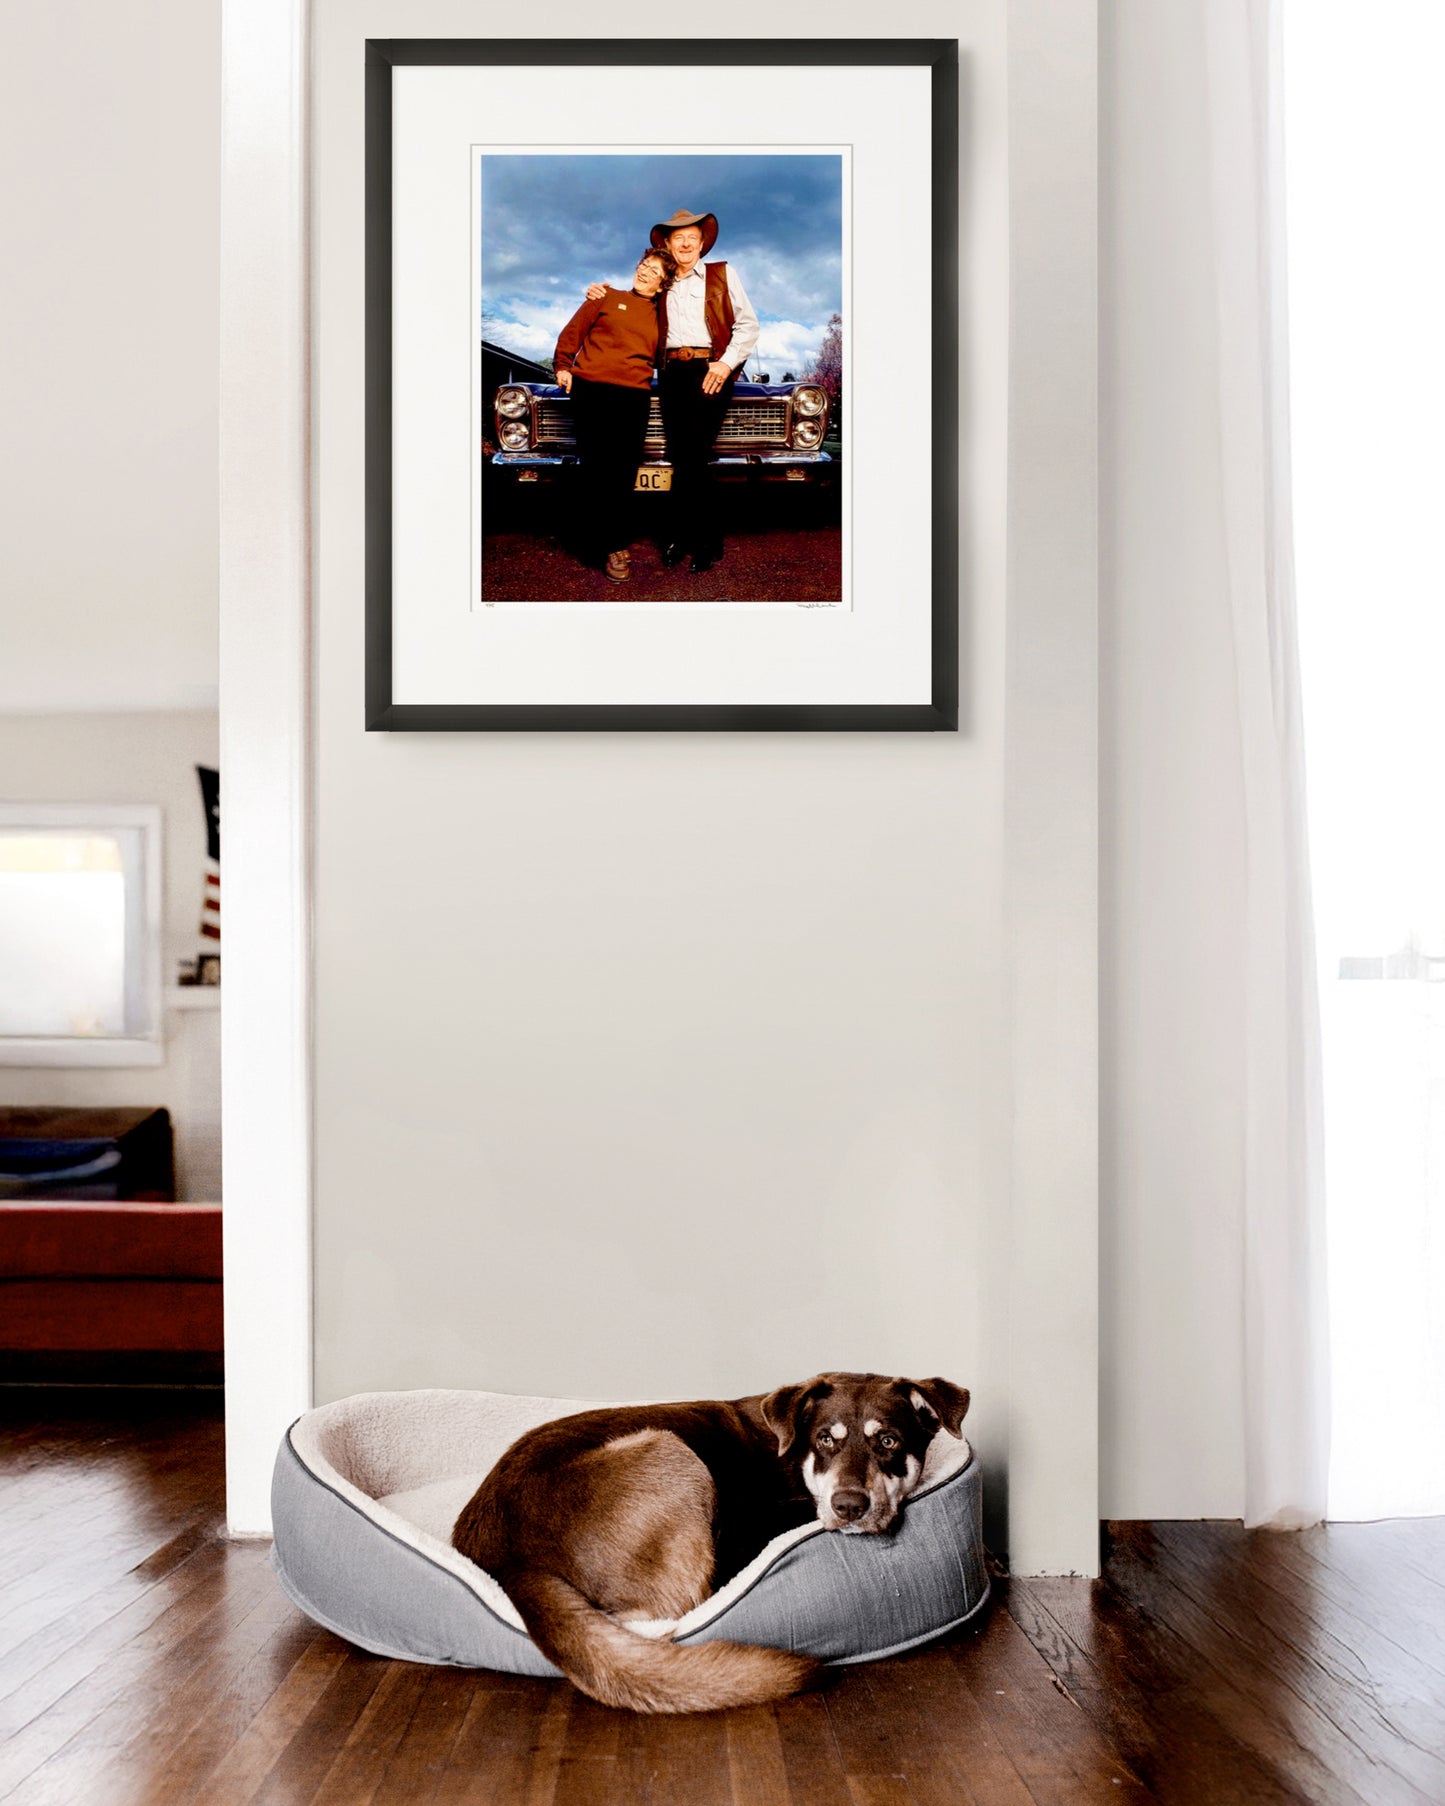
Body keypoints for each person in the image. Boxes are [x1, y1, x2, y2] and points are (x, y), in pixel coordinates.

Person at [588, 207, 759, 574]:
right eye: (678, 237)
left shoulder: (722, 274)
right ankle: (679, 538)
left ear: (701, 244)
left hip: (710, 369)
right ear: (667, 244)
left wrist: (725, 364)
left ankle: (706, 543)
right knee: (680, 457)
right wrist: (599, 292)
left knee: (695, 454)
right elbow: (631, 303)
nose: (685, 243)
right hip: (671, 374)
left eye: (692, 237)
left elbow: (747, 326)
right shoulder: (661, 284)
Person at [553, 247, 673, 582]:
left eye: (654, 271)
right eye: (643, 265)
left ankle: (612, 542)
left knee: (622, 472)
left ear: (663, 284)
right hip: (591, 390)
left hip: (633, 396)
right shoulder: (604, 297)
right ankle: (608, 545)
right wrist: (563, 365)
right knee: (595, 469)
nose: (645, 271)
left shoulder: (663, 315)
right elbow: (573, 332)